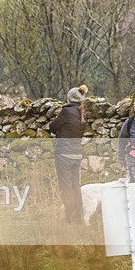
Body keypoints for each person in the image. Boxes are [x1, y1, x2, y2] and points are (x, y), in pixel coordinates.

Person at [50, 84, 88, 224]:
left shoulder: (66, 112)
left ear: (69, 98)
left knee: (66, 187)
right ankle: (79, 217)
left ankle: (70, 218)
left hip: (64, 154)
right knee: (75, 186)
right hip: (77, 154)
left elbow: (53, 126)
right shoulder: (81, 113)